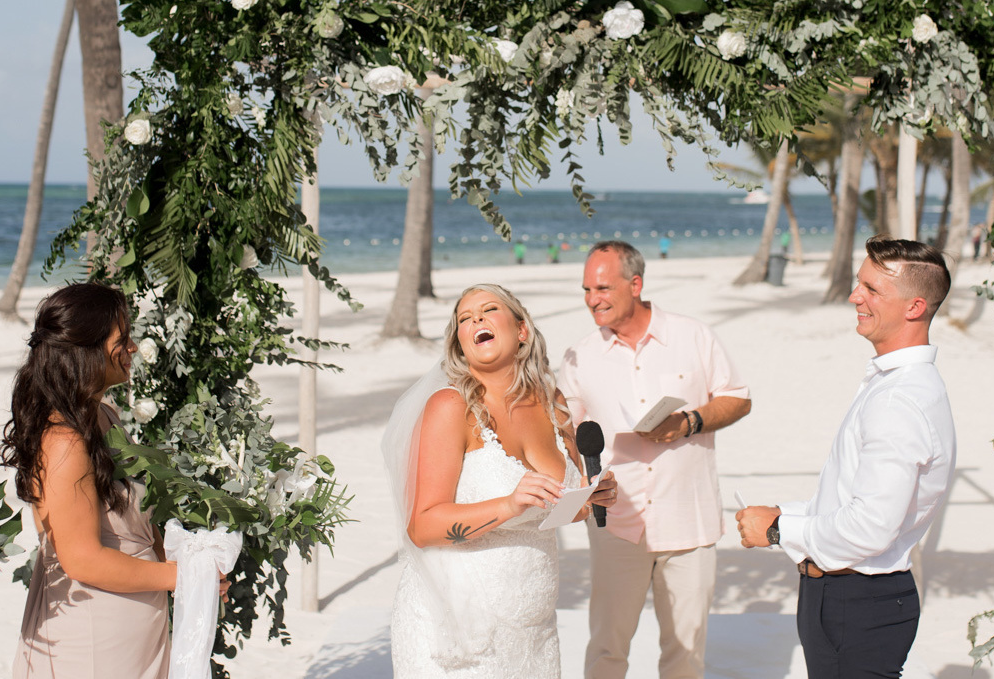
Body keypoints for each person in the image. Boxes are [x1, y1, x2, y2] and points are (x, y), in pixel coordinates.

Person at [736, 236, 955, 679]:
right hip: (856, 599)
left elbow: (870, 527)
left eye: (873, 290)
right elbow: (855, 499)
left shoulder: (899, 398)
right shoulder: (895, 384)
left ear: (914, 307)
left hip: (858, 601)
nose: (856, 296)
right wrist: (785, 513)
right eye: (860, 284)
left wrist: (778, 530)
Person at [385, 283, 615, 678]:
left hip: (533, 633)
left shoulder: (553, 403)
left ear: (521, 330)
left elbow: (558, 510)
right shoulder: (450, 407)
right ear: (460, 342)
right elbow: (422, 527)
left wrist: (593, 499)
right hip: (456, 632)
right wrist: (509, 504)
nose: (476, 319)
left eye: (489, 309)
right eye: (464, 317)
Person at [2, 284, 214, 678]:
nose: (133, 348)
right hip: (94, 632)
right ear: (88, 349)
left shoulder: (103, 415)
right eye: (122, 340)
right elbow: (82, 558)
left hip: (132, 622)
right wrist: (183, 577)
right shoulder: (64, 440)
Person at [560, 241, 751, 679]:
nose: (593, 299)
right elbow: (565, 431)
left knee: (685, 656)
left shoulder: (694, 335)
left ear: (636, 284)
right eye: (586, 289)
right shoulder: (580, 355)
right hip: (616, 523)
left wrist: (689, 421)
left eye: (603, 288)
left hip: (690, 523)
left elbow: (738, 399)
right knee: (607, 649)